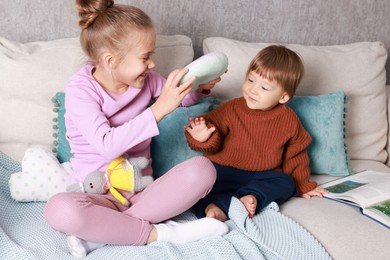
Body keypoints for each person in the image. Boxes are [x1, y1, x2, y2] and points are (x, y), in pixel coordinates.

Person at [44, 0, 228, 257]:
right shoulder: (81, 89)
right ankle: (161, 233)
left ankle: (103, 236)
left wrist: (198, 86)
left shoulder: (147, 80)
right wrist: (159, 109)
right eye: (145, 57)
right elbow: (106, 145)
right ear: (111, 60)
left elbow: (182, 99)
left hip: (144, 193)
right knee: (58, 209)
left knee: (204, 170)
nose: (153, 64)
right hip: (100, 197)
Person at [184, 45, 329, 222]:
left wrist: (304, 185)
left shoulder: (289, 120)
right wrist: (202, 137)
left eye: (264, 88)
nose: (253, 90)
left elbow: (296, 155)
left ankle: (250, 198)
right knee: (200, 184)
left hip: (261, 176)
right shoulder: (232, 109)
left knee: (286, 183)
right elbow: (207, 130)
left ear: (283, 97)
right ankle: (214, 207)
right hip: (224, 171)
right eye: (251, 80)